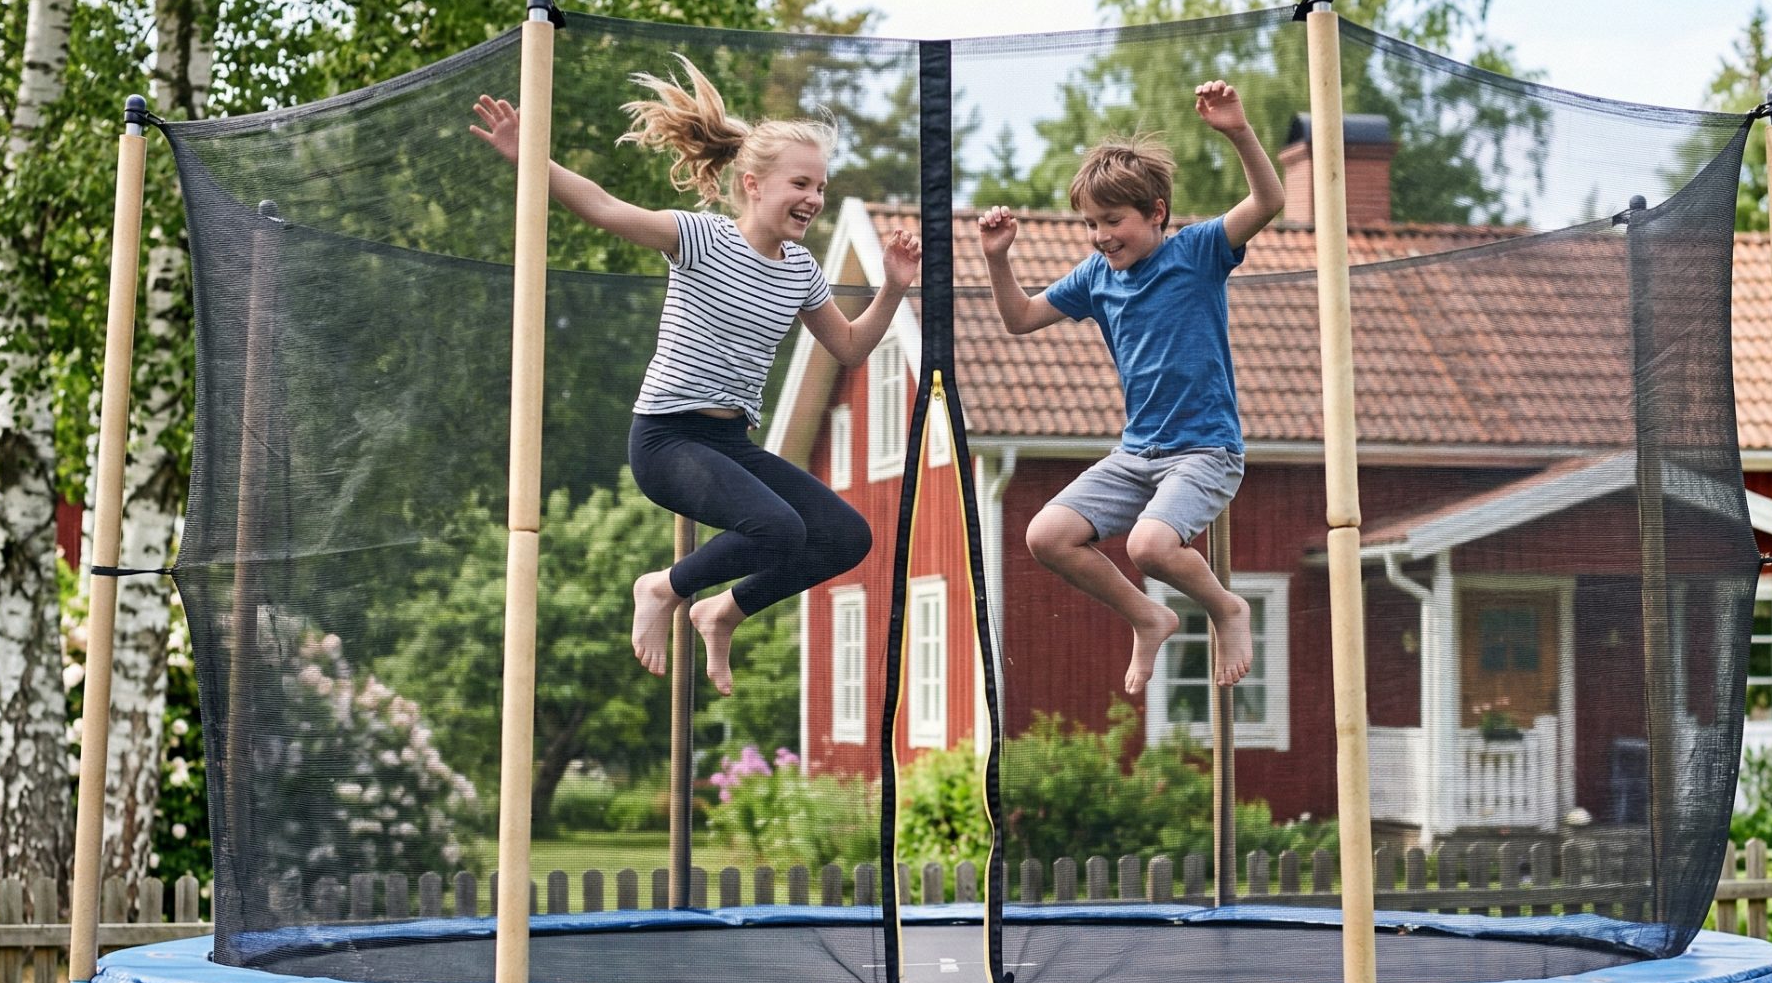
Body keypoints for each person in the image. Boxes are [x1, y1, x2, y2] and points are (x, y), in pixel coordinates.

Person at [470, 56, 921, 696]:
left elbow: (849, 347)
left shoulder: (800, 270)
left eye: (820, 188)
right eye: (800, 184)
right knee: (778, 528)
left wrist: (894, 288)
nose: (813, 200)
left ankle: (723, 610)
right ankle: (662, 586)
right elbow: (603, 208)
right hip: (666, 440)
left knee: (845, 536)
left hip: (730, 443)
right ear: (753, 184)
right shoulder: (700, 238)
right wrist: (527, 158)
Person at [977, 80, 1284, 696]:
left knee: (1149, 545)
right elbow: (1020, 319)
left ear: (1157, 213)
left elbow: (1268, 201)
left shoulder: (1199, 251)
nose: (1100, 235)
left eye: (1113, 221)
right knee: (1046, 535)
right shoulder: (1097, 275)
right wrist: (997, 259)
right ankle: (1148, 616)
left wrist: (1236, 131)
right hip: (1138, 452)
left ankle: (1228, 609)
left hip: (1205, 450)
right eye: (1091, 224)